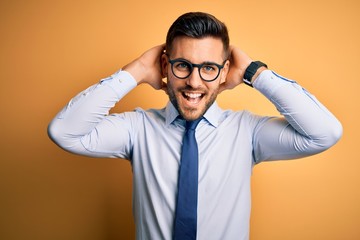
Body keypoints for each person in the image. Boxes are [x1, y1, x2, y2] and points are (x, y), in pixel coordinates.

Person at [48, 12, 342, 240]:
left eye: (209, 68)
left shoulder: (247, 132)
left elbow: (324, 133)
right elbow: (64, 132)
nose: (194, 81)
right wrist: (135, 70)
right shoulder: (137, 129)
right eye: (182, 65)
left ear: (225, 71)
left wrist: (256, 73)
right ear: (165, 67)